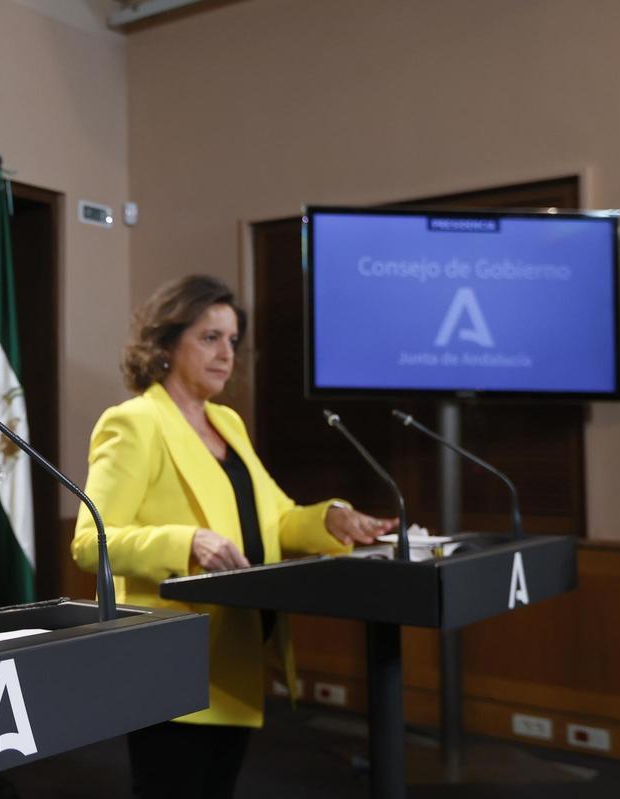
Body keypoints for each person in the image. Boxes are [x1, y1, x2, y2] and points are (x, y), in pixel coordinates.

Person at [71, 274, 395, 799]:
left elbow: (277, 518)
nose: (227, 353)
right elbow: (91, 540)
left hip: (234, 650)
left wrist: (331, 518)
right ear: (166, 343)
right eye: (210, 337)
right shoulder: (134, 423)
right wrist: (186, 541)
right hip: (170, 659)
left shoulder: (228, 423)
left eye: (233, 340)